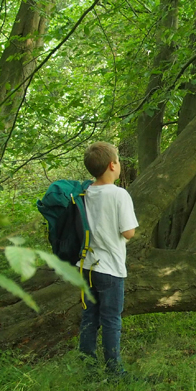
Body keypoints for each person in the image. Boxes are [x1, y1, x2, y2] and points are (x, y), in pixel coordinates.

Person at [78, 141, 139, 377]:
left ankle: (87, 363)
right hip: (110, 268)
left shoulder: (85, 192)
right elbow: (128, 232)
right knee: (111, 318)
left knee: (89, 316)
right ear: (113, 165)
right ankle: (114, 368)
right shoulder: (119, 194)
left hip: (86, 266)